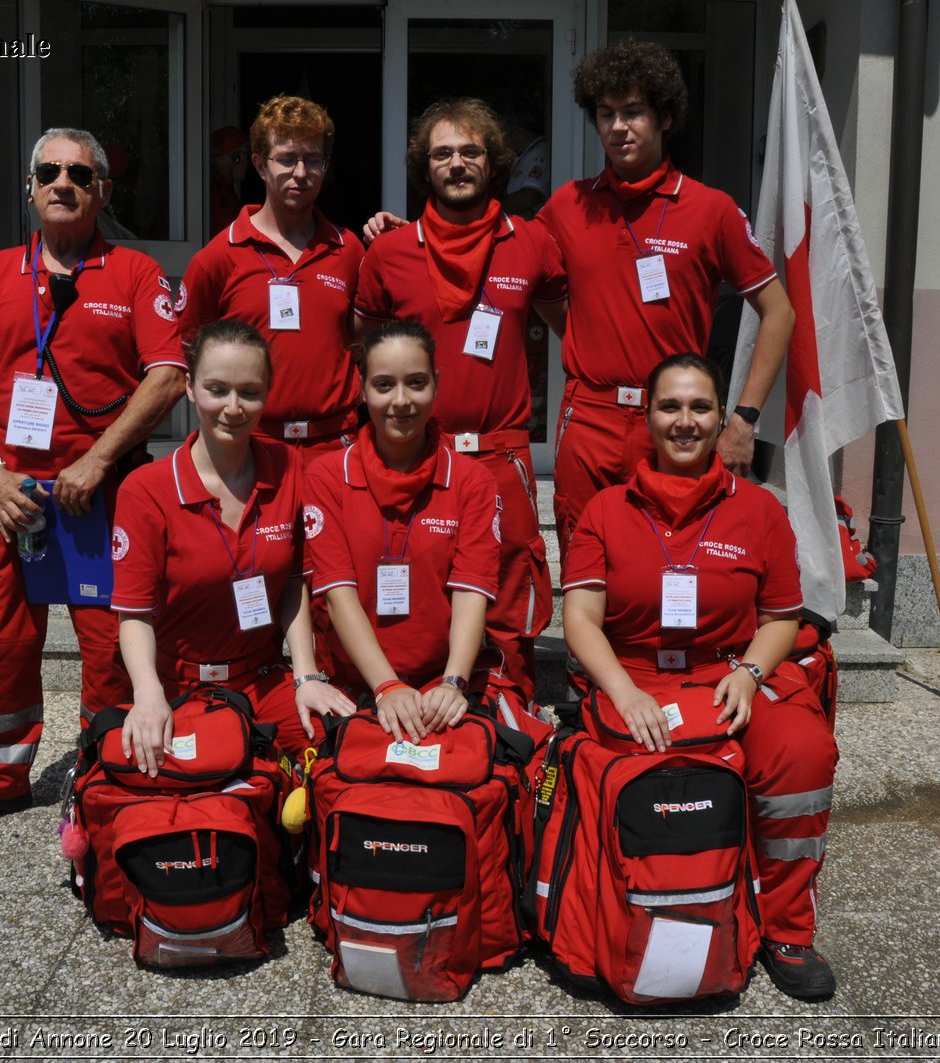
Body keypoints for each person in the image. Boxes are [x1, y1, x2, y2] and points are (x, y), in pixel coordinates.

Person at [561, 352, 838, 1001]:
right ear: (648, 415)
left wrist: (748, 672)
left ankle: (787, 930)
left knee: (800, 750)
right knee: (652, 767)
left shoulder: (760, 511)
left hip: (725, 670)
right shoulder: (605, 509)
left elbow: (780, 616)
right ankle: (637, 915)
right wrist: (621, 692)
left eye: (700, 407)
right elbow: (579, 617)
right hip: (633, 674)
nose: (684, 421)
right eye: (670, 406)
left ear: (721, 417)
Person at [0, 128, 187, 833]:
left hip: (100, 497)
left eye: (81, 173)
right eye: (49, 170)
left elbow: (168, 375)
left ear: (103, 190)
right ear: (31, 185)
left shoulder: (135, 274)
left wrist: (99, 460)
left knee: (109, 646)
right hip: (12, 497)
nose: (63, 182)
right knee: (6, 642)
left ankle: (104, 774)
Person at [538, 38, 795, 560]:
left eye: (633, 112)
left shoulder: (711, 210)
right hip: (588, 417)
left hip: (674, 423)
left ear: (666, 117)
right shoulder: (567, 205)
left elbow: (779, 311)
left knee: (667, 563)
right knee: (587, 564)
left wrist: (743, 419)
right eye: (605, 114)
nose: (617, 127)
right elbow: (523, 276)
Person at [354, 98, 566, 709]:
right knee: (418, 587)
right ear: (426, 165)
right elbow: (360, 352)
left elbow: (574, 327)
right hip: (416, 458)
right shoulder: (389, 251)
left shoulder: (531, 243)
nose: (457, 163)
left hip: (502, 456)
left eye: (470, 151)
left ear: (493, 161)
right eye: (443, 153)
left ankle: (507, 713)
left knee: (507, 589)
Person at [110, 319, 354, 770]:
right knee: (191, 789)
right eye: (217, 389)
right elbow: (134, 613)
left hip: (263, 679)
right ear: (189, 386)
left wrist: (306, 677)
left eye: (249, 391)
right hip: (176, 683)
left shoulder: (291, 469)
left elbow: (294, 583)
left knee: (335, 753)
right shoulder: (145, 490)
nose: (233, 407)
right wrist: (148, 696)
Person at [304, 321, 524, 742]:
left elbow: (471, 591)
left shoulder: (471, 480)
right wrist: (386, 687)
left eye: (416, 383)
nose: (401, 401)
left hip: (443, 682)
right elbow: (337, 592)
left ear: (436, 385)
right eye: (384, 385)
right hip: (356, 683)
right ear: (363, 389)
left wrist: (453, 682)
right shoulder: (327, 475)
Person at [180, 96, 365, 464]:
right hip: (249, 447)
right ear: (260, 166)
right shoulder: (219, 255)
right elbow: (187, 351)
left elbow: (365, 341)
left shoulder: (348, 250)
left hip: (335, 447)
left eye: (313, 159)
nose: (301, 172)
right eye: (287, 159)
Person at [208, 126, 249, 236]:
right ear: (236, 158)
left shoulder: (223, 191)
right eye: (247, 155)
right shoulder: (213, 196)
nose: (249, 162)